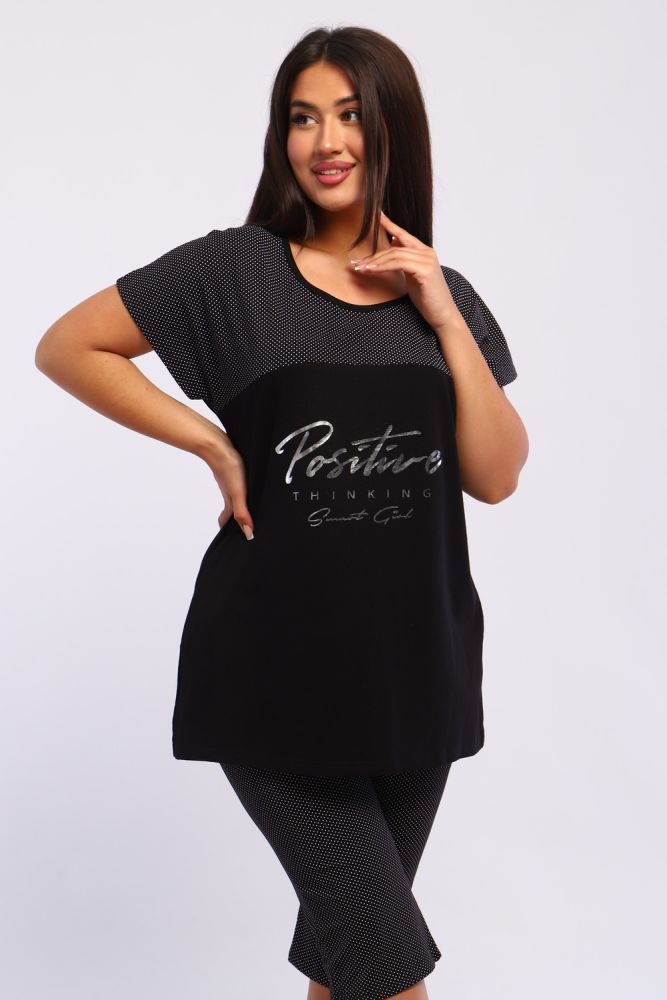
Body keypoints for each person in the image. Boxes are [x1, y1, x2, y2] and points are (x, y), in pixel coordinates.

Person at [35, 24, 529, 1000]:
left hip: (417, 679)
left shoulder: (445, 296)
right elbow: (68, 345)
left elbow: (497, 473)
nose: (325, 140)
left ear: (392, 127)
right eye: (302, 118)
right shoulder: (237, 274)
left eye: (348, 114)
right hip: (275, 677)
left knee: (349, 968)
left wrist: (438, 309)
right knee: (389, 971)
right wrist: (210, 441)